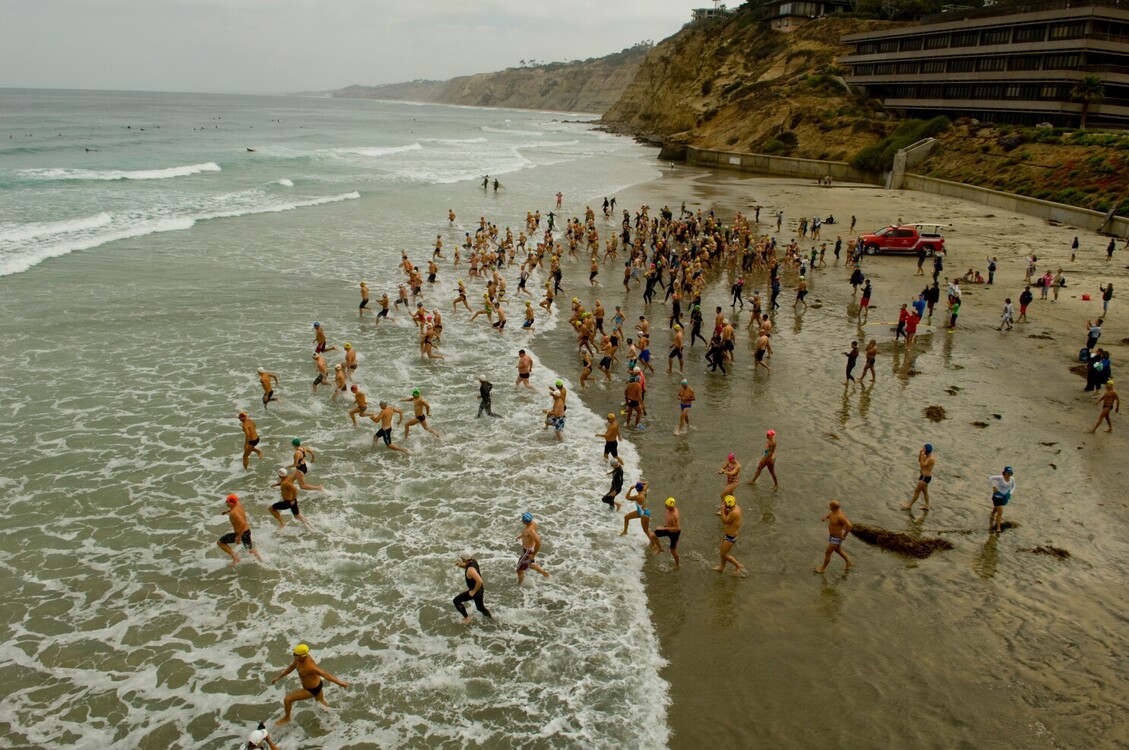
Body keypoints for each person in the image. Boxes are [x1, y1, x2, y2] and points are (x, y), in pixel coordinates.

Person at [271, 644, 349, 726]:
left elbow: (325, 674)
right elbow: (291, 667)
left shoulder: (309, 667)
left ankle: (287, 718)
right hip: (317, 684)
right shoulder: (299, 660)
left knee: (287, 700)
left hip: (311, 690)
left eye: (295, 654)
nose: (293, 655)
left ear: (302, 656)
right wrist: (278, 677)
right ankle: (333, 720)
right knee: (322, 703)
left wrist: (341, 683)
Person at [217, 494, 263, 566]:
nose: (226, 501)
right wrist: (226, 511)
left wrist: (238, 537)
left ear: (231, 503)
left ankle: (235, 558)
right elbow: (234, 509)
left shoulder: (233, 514)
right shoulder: (238, 504)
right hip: (247, 532)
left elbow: (243, 524)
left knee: (220, 542)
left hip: (241, 533)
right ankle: (261, 560)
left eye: (227, 501)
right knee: (249, 549)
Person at [814, 500, 853, 574]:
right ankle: (849, 563)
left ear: (833, 507)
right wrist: (826, 517)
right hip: (832, 536)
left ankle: (823, 569)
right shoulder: (833, 512)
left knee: (828, 553)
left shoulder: (840, 516)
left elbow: (849, 526)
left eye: (830, 505)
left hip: (836, 538)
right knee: (838, 550)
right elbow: (830, 515)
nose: (829, 506)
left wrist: (844, 535)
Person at [453, 555, 492, 623]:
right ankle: (491, 619)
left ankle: (467, 618)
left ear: (467, 560)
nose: (462, 560)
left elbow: (480, 581)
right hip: (480, 589)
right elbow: (467, 566)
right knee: (480, 608)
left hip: (475, 591)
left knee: (456, 601)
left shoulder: (470, 570)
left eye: (463, 559)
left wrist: (473, 591)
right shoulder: (473, 561)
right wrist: (460, 565)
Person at [713, 495, 743, 574]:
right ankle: (722, 567)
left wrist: (722, 510)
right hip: (727, 535)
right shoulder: (736, 507)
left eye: (724, 503)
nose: (723, 504)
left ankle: (738, 565)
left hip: (731, 537)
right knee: (722, 552)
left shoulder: (734, 513)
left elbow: (725, 521)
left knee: (723, 554)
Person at [516, 512, 550, 584]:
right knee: (530, 564)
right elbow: (527, 534)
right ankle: (545, 573)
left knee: (519, 569)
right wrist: (522, 535)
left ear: (526, 522)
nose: (522, 521)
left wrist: (533, 554)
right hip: (529, 549)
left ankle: (520, 584)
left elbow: (538, 542)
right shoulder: (532, 523)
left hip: (527, 551)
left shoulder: (530, 530)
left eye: (523, 520)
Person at [902, 443, 935, 510]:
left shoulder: (931, 459)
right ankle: (927, 505)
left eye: (924, 448)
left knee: (917, 491)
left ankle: (909, 505)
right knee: (925, 492)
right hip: (922, 476)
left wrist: (922, 455)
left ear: (927, 450)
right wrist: (920, 454)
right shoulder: (926, 456)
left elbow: (922, 465)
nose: (922, 449)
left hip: (925, 478)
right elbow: (919, 460)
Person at [652, 498, 682, 569]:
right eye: (665, 504)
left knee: (673, 551)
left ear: (671, 507)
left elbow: (677, 528)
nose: (665, 506)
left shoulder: (674, 515)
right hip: (667, 528)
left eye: (666, 505)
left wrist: (664, 528)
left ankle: (677, 565)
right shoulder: (669, 509)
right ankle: (660, 548)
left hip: (674, 533)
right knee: (652, 535)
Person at [988, 466, 1015, 533]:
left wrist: (1010, 493)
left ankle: (992, 515)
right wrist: (993, 487)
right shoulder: (1000, 478)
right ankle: (998, 528)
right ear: (1005, 472)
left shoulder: (1012, 479)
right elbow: (990, 478)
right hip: (997, 496)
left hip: (1004, 497)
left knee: (996, 508)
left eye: (1010, 473)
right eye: (1008, 473)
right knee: (1000, 512)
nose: (1009, 474)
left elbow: (1014, 487)